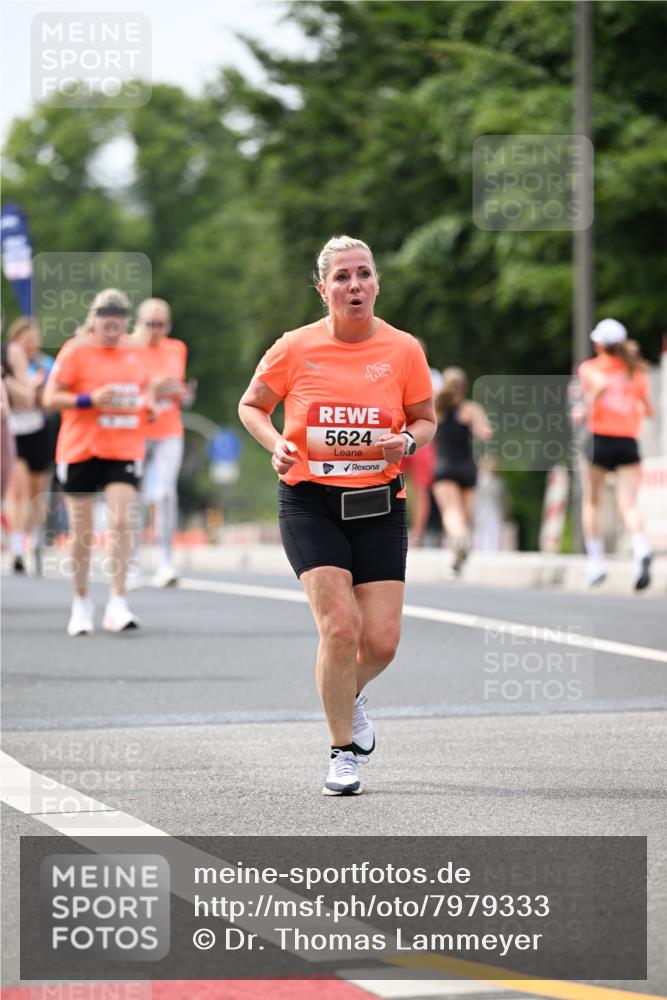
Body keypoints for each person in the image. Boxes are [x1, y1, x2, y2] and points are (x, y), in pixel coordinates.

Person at [239, 235, 436, 796]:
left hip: (378, 503)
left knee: (382, 643)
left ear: (376, 283)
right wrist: (275, 443)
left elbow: (425, 420)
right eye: (343, 277)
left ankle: (346, 693)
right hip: (310, 502)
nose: (355, 285)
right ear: (322, 289)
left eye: (364, 274)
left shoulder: (404, 349)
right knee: (340, 628)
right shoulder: (295, 347)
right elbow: (251, 405)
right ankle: (341, 751)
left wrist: (407, 441)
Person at [43, 288, 154, 635]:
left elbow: (147, 389)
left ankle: (117, 602)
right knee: (82, 531)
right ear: (94, 318)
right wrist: (89, 399)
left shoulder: (136, 350)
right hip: (81, 449)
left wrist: (149, 405)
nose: (112, 321)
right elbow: (49, 398)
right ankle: (81, 603)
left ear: (126, 320)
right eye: (105, 314)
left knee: (121, 521)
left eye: (118, 315)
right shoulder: (76, 350)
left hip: (124, 448)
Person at [578, 318, 655, 590]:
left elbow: (599, 385)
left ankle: (596, 564)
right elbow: (649, 410)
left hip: (600, 438)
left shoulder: (591, 367)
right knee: (628, 504)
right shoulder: (636, 371)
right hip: (627, 441)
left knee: (592, 502)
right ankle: (642, 547)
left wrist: (586, 406)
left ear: (599, 344)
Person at [131, 298, 191, 587]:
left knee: (165, 492)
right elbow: (130, 387)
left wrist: (177, 391)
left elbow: (174, 384)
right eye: (149, 324)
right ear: (138, 323)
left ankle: (165, 561)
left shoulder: (177, 348)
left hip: (169, 429)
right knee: (134, 495)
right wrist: (154, 387)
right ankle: (131, 562)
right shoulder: (129, 348)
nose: (155, 330)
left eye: (160, 324)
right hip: (136, 430)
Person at [5, 317, 55, 574]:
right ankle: (17, 547)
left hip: (38, 429)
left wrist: (35, 392)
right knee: (17, 489)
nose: (31, 346)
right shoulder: (6, 364)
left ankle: (36, 537)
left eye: (34, 341)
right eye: (26, 341)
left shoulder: (45, 365)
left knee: (37, 491)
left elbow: (47, 401)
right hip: (14, 432)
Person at [432, 367, 492, 574]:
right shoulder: (471, 409)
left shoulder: (436, 408)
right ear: (465, 387)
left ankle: (459, 538)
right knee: (464, 516)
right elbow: (484, 434)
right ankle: (456, 558)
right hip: (467, 467)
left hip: (445, 466)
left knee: (451, 512)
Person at [400, 338, 441, 546]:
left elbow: (437, 413)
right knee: (392, 483)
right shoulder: (395, 371)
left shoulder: (434, 377)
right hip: (396, 434)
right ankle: (397, 527)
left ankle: (417, 533)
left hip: (421, 439)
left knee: (421, 487)